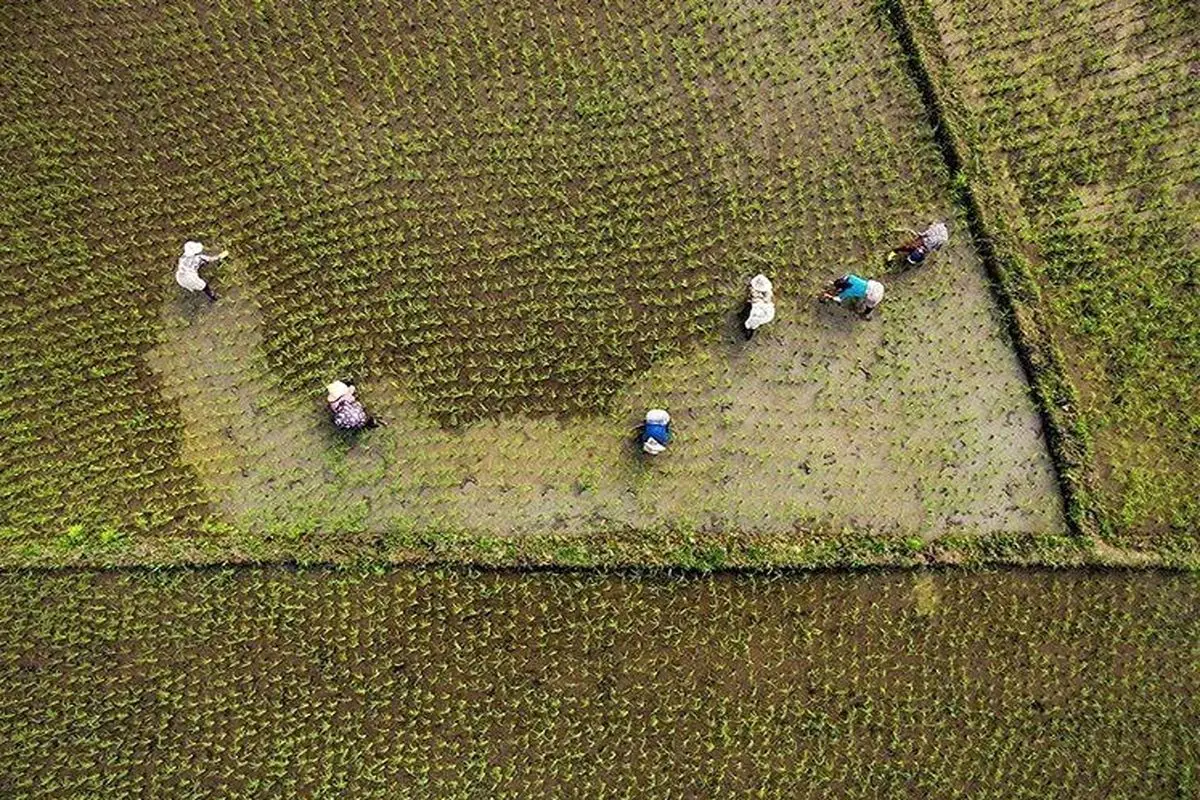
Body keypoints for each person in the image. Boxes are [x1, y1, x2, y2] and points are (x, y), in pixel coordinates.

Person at [821, 273, 885, 318]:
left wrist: (829, 296)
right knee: (862, 290)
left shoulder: (848, 291)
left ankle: (866, 314)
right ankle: (861, 301)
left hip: (874, 294)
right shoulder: (851, 277)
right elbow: (844, 278)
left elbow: (839, 299)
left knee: (870, 305)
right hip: (876, 286)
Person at [742, 274, 776, 339]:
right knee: (753, 320)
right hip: (762, 310)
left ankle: (748, 330)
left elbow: (758, 300)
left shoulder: (766, 293)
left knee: (752, 321)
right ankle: (749, 329)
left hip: (761, 311)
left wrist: (757, 299)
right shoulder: (766, 292)